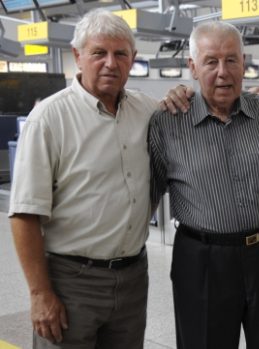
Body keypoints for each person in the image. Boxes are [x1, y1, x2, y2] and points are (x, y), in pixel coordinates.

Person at [148, 21, 259, 349]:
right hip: (202, 260)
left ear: (244, 63)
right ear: (192, 66)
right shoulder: (166, 123)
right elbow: (147, 195)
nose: (223, 72)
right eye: (210, 61)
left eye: (231, 60)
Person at [9, 9, 157, 348]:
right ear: (78, 56)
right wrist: (40, 293)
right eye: (98, 53)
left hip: (133, 279)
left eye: (121, 54)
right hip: (70, 281)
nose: (110, 63)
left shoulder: (148, 111)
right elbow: (24, 215)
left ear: (132, 59)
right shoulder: (48, 119)